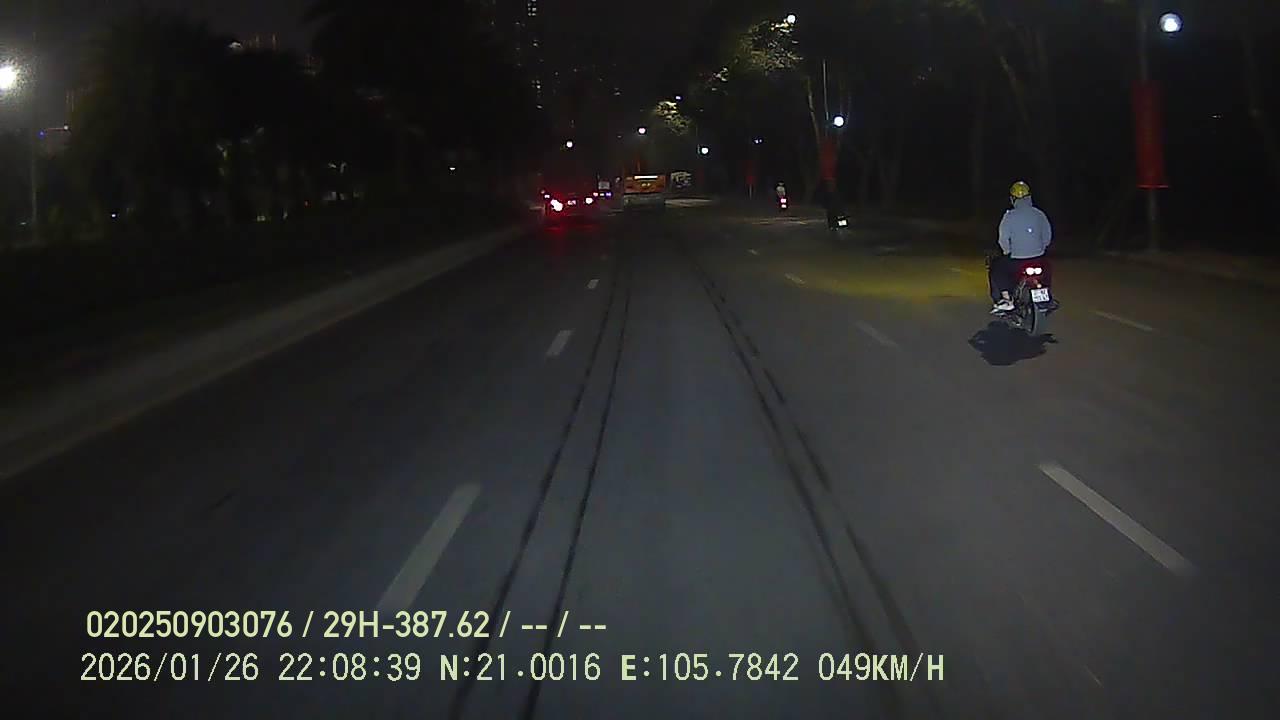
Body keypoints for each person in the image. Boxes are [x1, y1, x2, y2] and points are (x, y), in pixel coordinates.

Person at [990, 181, 1052, 313]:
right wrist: (1041, 248)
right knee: (1047, 269)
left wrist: (1007, 251)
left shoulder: (1009, 216)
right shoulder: (1039, 214)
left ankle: (1006, 299)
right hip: (1038, 258)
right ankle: (1046, 295)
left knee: (997, 268)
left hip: (1017, 260)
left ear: (1013, 198)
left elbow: (1003, 239)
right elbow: (1047, 236)